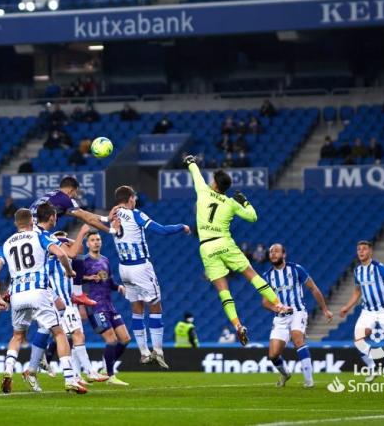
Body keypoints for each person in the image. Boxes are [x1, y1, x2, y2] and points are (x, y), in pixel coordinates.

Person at [183, 155, 290, 346]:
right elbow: (253, 217)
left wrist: (191, 162)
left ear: (215, 184)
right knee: (251, 274)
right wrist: (245, 201)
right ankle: (279, 304)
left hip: (207, 246)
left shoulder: (203, 192)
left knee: (223, 290)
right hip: (225, 242)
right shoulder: (231, 203)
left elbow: (195, 173)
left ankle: (237, 324)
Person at [0, 209, 87, 394]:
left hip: (17, 295)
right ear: (32, 221)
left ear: (16, 223)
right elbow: (62, 254)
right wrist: (69, 271)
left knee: (17, 336)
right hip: (38, 291)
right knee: (59, 333)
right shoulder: (38, 236)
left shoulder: (6, 243)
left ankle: (8, 371)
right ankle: (70, 379)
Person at [23, 206, 106, 391]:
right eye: (64, 242)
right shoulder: (53, 255)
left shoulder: (60, 259)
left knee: (66, 335)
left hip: (64, 303)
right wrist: (82, 232)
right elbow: (73, 251)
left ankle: (41, 369)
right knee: (73, 335)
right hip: (59, 304)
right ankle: (82, 373)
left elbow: (76, 252)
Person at [110, 185, 190, 369]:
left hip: (124, 267)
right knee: (155, 307)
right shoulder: (135, 214)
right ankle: (158, 351)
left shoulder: (113, 216)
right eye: (134, 197)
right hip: (140, 267)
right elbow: (161, 230)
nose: (135, 200)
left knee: (137, 309)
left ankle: (144, 353)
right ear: (130, 198)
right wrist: (181, 226)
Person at [29, 176, 119, 305]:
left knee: (78, 248)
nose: (75, 196)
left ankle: (76, 292)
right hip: (40, 235)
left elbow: (84, 214)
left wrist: (106, 219)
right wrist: (111, 230)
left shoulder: (53, 196)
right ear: (71, 190)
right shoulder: (65, 199)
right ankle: (77, 293)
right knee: (73, 253)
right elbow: (88, 219)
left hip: (28, 234)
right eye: (75, 192)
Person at [340, 241, 384, 383]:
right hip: (368, 312)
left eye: (364, 249)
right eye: (359, 249)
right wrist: (347, 307)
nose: (361, 252)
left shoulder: (379, 267)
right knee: (358, 339)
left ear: (370, 251)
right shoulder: (357, 271)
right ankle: (373, 367)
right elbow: (357, 291)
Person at [263, 244, 333, 388]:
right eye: (271, 252)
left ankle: (309, 381)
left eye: (276, 251)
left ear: (284, 254)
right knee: (273, 355)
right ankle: (285, 374)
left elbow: (313, 288)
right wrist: (277, 308)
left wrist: (325, 309)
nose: (273, 254)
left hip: (297, 311)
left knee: (297, 339)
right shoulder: (267, 276)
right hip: (280, 316)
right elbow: (265, 302)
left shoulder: (296, 269)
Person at [76, 231, 132, 385]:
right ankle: (110, 375)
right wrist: (88, 278)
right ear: (87, 244)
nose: (96, 242)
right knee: (111, 339)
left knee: (125, 339)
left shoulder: (105, 260)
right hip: (94, 306)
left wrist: (119, 287)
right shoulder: (83, 261)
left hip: (109, 305)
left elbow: (110, 282)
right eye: (93, 240)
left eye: (98, 239)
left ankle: (105, 368)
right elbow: (75, 280)